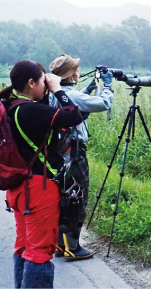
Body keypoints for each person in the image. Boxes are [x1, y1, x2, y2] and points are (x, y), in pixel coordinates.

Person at [0, 60, 83, 288]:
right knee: (40, 252)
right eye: (42, 81)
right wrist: (58, 89)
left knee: (24, 245)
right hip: (38, 190)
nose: (46, 86)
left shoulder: (7, 105)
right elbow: (74, 116)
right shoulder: (30, 111)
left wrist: (47, 89)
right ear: (31, 82)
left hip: (17, 188)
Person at [48, 54, 114, 261]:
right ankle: (73, 247)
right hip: (74, 155)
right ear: (72, 75)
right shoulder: (70, 95)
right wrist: (107, 85)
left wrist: (85, 91)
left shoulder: (54, 94)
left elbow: (71, 109)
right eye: (76, 69)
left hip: (59, 154)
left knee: (63, 197)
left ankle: (60, 244)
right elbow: (104, 104)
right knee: (77, 197)